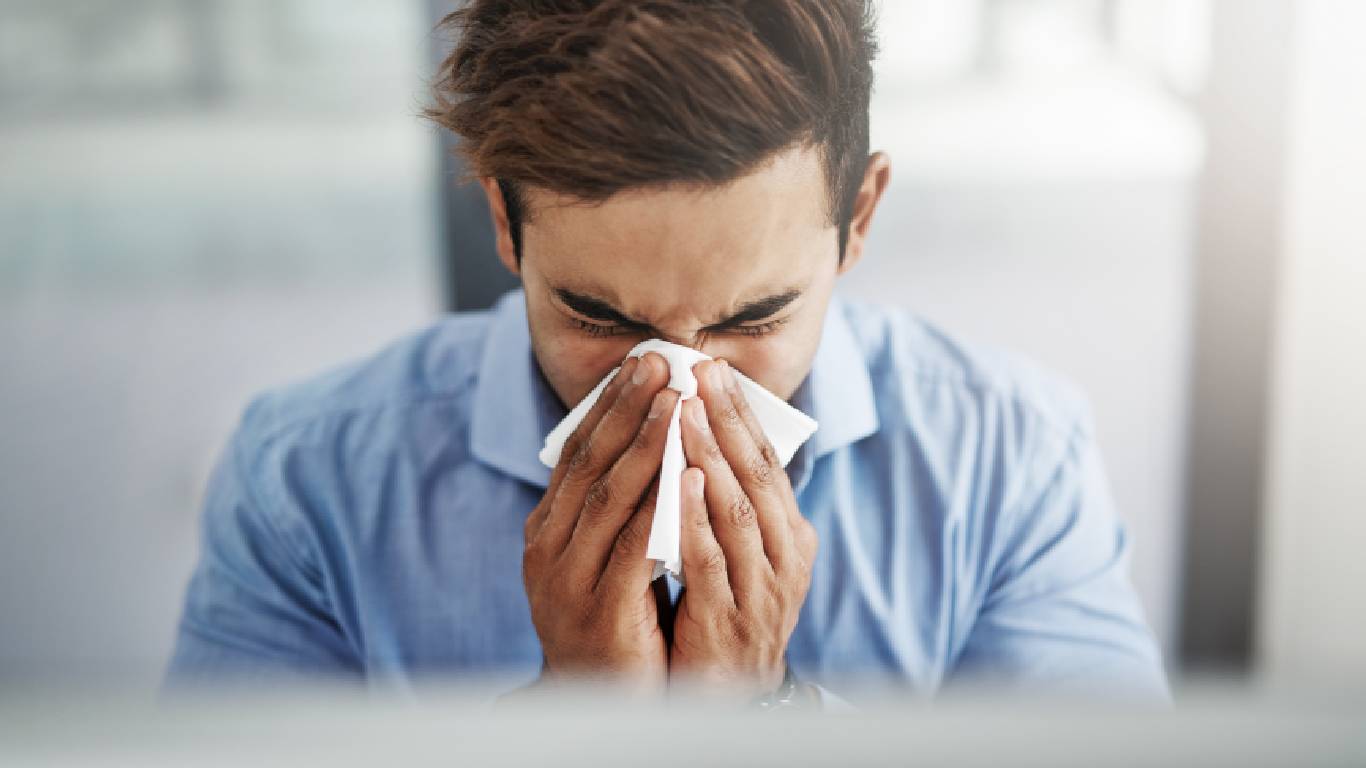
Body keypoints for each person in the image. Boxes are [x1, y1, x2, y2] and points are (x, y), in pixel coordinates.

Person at [167, 0, 1167, 704]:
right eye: (601, 318)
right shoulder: (306, 486)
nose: (681, 386)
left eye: (757, 316)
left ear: (857, 217)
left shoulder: (1008, 459)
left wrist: (760, 717)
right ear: (504, 227)